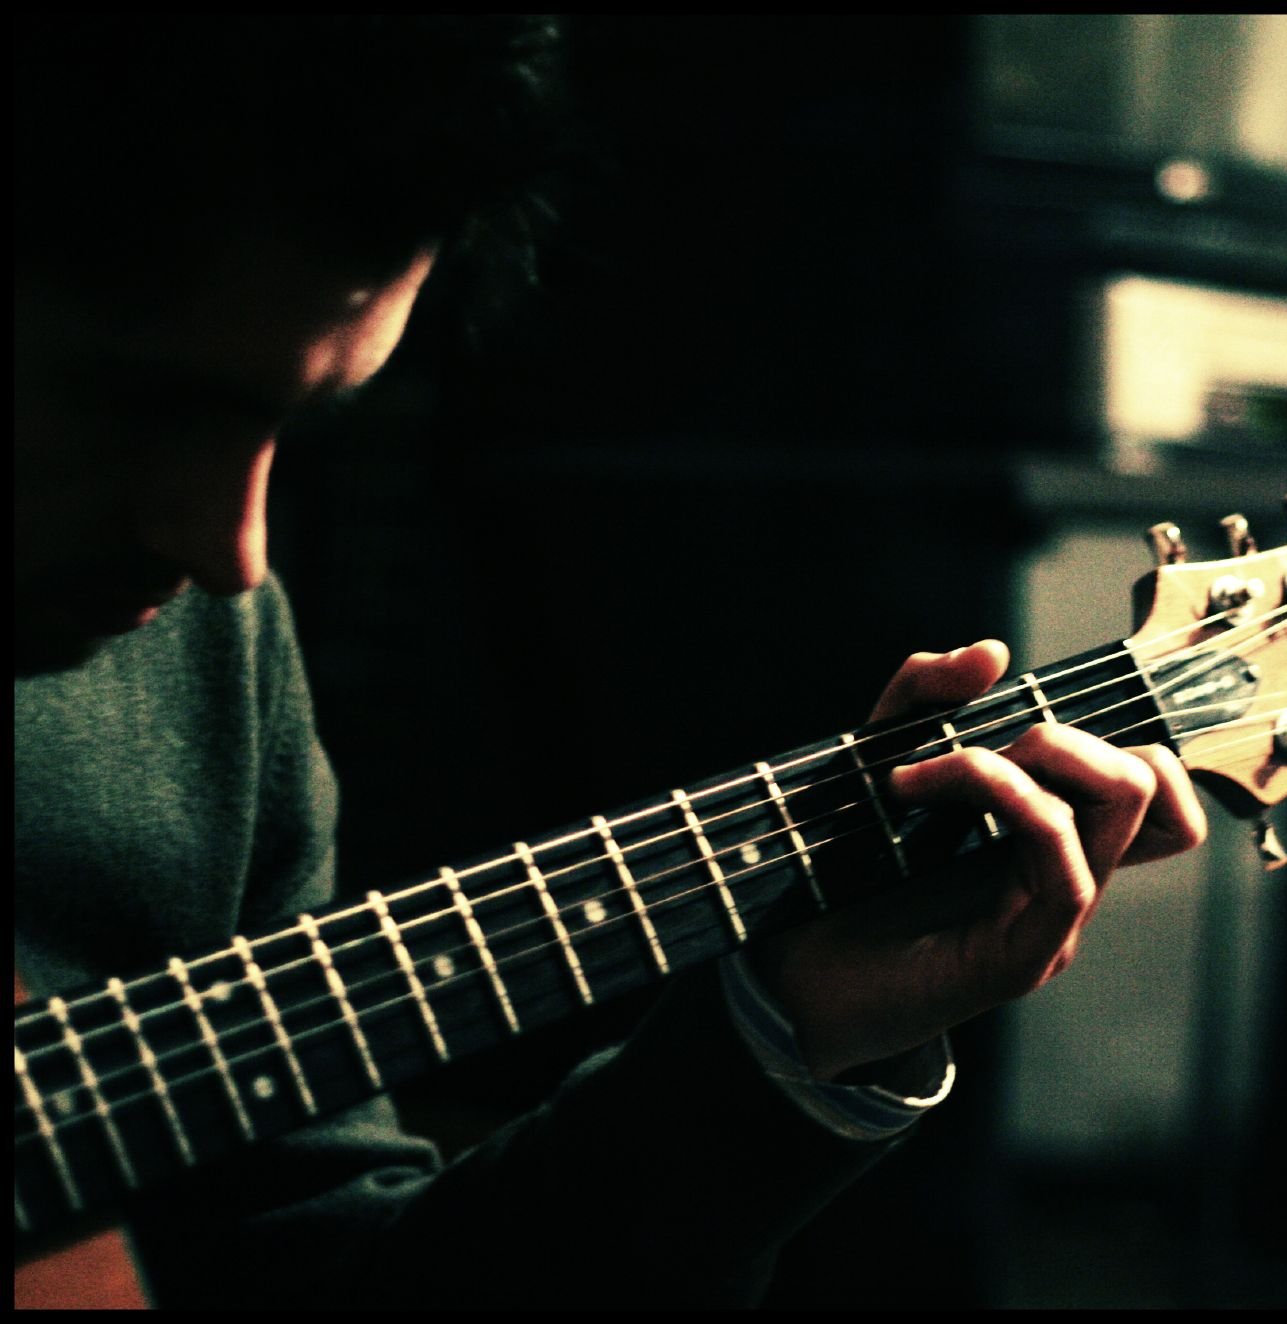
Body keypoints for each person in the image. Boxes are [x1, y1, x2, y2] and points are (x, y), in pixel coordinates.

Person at [13, 16, 1207, 1309]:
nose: (231, 552)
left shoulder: (202, 646)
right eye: (149, 408)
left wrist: (786, 1037)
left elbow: (321, 1280)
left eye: (293, 430)